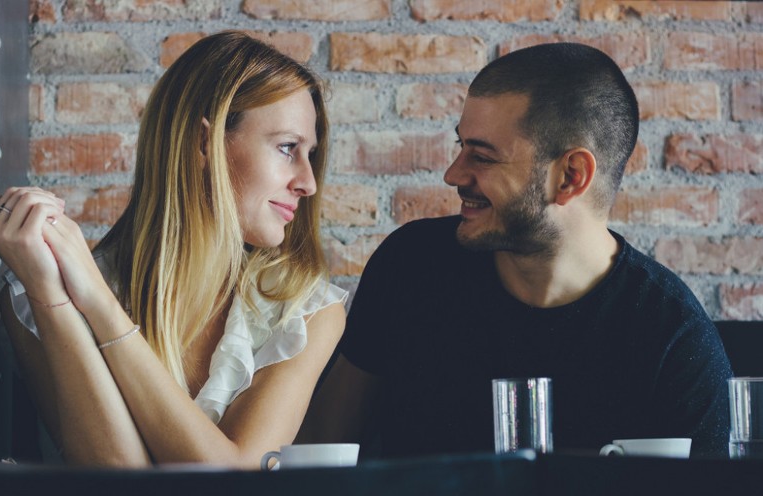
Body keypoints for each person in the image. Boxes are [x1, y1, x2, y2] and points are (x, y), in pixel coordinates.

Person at [299, 42, 733, 459]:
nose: (453, 174)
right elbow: (320, 449)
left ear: (571, 176)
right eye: (461, 146)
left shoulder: (674, 341)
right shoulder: (411, 264)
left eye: (483, 157)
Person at [0, 31, 346, 468]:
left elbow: (233, 481)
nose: (308, 182)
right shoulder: (30, 303)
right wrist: (55, 299)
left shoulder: (307, 314)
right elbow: (119, 477)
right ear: (203, 143)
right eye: (288, 148)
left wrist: (97, 302)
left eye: (310, 154)